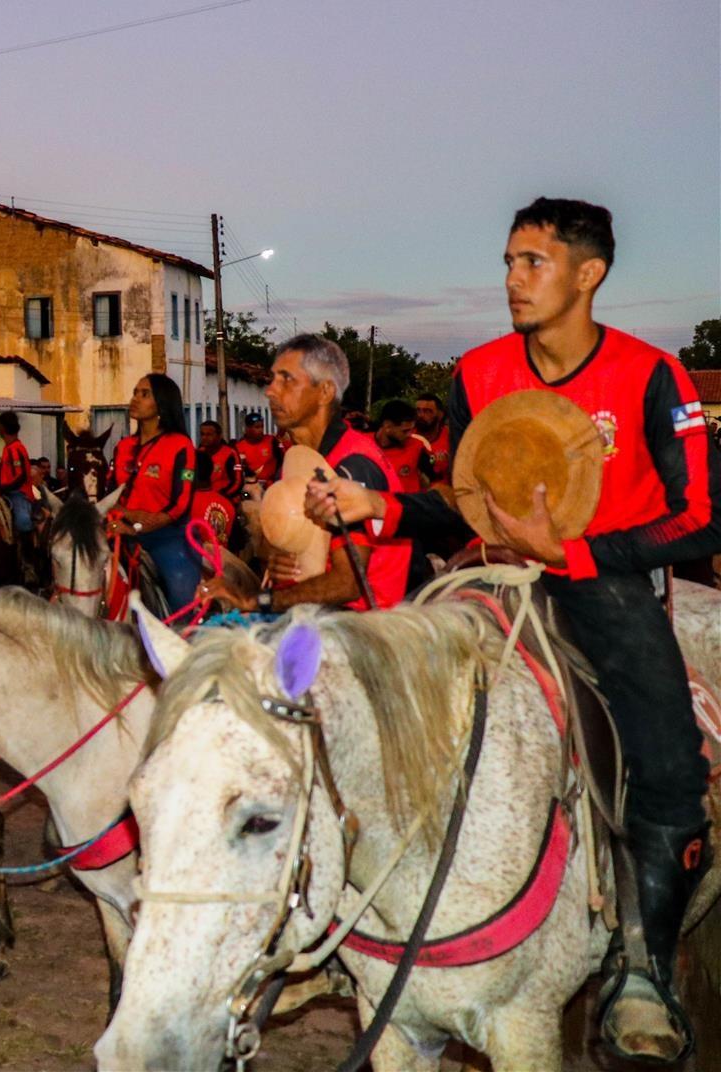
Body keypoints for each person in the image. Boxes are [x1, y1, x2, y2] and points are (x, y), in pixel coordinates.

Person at [309, 199, 720, 1059]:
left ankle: (641, 966)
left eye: (533, 262)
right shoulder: (480, 371)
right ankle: (346, 930)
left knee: (673, 769)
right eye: (508, 262)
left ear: (588, 273)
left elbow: (704, 517)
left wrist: (572, 552)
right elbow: (460, 502)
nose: (513, 280)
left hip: (606, 585)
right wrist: (375, 503)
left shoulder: (652, 375)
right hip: (484, 575)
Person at [211, 334, 413, 614]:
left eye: (287, 380)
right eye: (273, 380)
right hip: (321, 612)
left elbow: (349, 582)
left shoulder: (352, 465)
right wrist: (282, 559)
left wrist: (257, 601)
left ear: (325, 392)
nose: (270, 391)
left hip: (359, 623)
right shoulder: (306, 457)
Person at [105, 374, 200, 611]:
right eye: (135, 393)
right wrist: (125, 517)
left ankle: (184, 631)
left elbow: (181, 503)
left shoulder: (180, 445)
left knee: (182, 595)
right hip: (120, 531)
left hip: (167, 536)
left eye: (145, 394)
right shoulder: (123, 446)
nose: (135, 399)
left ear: (162, 404)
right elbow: (110, 493)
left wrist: (139, 525)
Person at [0, 411, 37, 554]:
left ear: (2, 428)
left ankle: (28, 556)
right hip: (6, 491)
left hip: (18, 493)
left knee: (23, 521)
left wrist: (1, 489)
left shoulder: (16, 449)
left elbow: (21, 476)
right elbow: (0, 473)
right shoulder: (8, 449)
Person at [374, 398, 435, 489]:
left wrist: (434, 458)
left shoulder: (417, 447)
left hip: (408, 498)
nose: (409, 435)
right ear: (387, 426)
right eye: (405, 431)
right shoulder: (363, 445)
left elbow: (433, 471)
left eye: (411, 429)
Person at [195, 419, 245, 504]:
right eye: (202, 434)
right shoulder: (198, 453)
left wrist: (222, 495)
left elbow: (238, 481)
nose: (204, 438)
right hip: (203, 497)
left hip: (225, 498)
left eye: (209, 434)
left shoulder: (230, 453)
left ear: (219, 436)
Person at [232, 411, 280, 485]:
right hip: (250, 485)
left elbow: (281, 461)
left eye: (262, 427)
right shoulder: (239, 447)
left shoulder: (272, 441)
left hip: (272, 484)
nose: (261, 430)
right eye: (257, 427)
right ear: (248, 428)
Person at [414, 392, 452, 481]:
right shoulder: (407, 436)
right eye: (418, 410)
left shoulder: (451, 437)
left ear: (440, 414)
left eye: (427, 411)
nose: (421, 415)